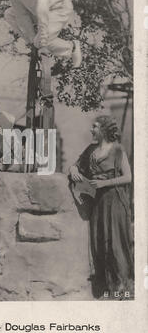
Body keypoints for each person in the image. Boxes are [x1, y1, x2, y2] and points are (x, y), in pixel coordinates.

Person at [69, 116, 134, 299]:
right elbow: (76, 165)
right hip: (98, 202)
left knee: (116, 242)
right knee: (100, 241)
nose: (91, 129)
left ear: (104, 129)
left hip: (115, 200)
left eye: (95, 126)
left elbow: (128, 177)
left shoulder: (118, 150)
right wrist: (74, 169)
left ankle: (122, 287)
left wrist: (106, 183)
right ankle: (103, 287)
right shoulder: (90, 149)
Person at [0, 0, 82, 67]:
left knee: (41, 41)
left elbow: (42, 11)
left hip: (58, 8)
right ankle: (35, 42)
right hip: (36, 10)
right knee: (9, 14)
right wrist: (32, 38)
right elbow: (21, 15)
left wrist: (41, 40)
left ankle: (71, 47)